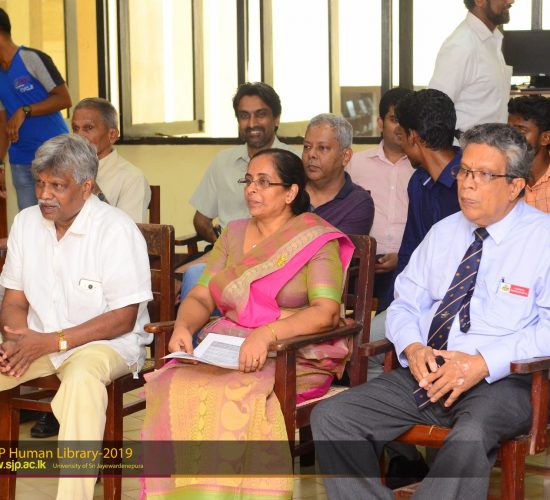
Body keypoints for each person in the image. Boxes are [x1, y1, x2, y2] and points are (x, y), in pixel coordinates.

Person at [312, 123, 550, 500]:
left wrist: (482, 363)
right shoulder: (443, 232)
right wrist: (413, 348)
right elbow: (404, 304)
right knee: (334, 417)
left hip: (503, 383)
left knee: (470, 437)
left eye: (483, 175)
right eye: (465, 171)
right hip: (428, 372)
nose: (467, 184)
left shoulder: (542, 239)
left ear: (515, 186)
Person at [142, 148, 354, 499]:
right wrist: (182, 327)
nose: (251, 189)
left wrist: (266, 335)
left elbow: (326, 312)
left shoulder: (315, 238)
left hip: (294, 351)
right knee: (172, 382)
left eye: (264, 182)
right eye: (249, 180)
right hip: (228, 345)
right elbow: (201, 296)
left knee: (235, 391)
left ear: (291, 192)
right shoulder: (233, 233)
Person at [0, 134, 152, 500]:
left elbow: (123, 317)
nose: (44, 195)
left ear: (86, 188)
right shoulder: (25, 223)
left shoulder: (115, 229)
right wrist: (17, 339)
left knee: (82, 381)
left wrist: (51, 342)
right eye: (40, 183)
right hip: (37, 340)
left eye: (57, 185)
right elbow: (15, 298)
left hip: (106, 344)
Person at [180, 82, 295, 297]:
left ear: (276, 118)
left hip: (273, 258)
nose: (252, 123)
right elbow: (201, 220)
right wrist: (223, 245)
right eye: (244, 116)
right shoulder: (223, 162)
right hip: (223, 255)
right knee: (179, 278)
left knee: (192, 276)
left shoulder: (293, 161)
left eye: (260, 114)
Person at [346, 88, 414, 312]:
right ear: (380, 123)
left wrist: (402, 256)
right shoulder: (356, 164)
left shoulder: (421, 168)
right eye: (394, 119)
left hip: (407, 264)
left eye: (406, 120)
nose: (400, 127)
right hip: (360, 263)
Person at [0, 8, 71, 209]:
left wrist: (25, 110)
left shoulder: (31, 58)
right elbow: (3, 124)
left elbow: (65, 99)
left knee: (59, 219)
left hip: (54, 156)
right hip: (21, 161)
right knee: (29, 222)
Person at [394, 89, 462, 279]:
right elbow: (410, 251)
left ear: (412, 136)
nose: (401, 145)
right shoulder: (418, 182)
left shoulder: (471, 180)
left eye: (401, 136)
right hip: (421, 288)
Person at [429, 0, 514, 135]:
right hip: (465, 146)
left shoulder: (492, 39)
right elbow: (435, 108)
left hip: (492, 144)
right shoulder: (461, 45)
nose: (511, 1)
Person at [71, 97, 151, 223]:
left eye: (88, 128)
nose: (79, 136)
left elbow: (128, 231)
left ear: (112, 135)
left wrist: (94, 190)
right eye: (76, 129)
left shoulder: (132, 178)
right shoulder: (65, 171)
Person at [304, 113, 375, 236]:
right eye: (307, 147)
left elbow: (335, 246)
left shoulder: (358, 202)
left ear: (346, 156)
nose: (311, 154)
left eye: (322, 148)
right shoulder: (288, 189)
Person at [508, 95, 550, 213]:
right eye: (509, 130)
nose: (511, 138)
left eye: (521, 131)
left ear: (545, 138)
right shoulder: (500, 177)